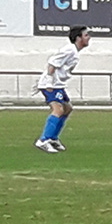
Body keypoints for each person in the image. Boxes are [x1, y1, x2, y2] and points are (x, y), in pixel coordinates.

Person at [34, 25, 90, 153]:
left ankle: (53, 138)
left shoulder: (74, 52)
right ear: (78, 38)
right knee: (58, 110)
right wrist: (48, 81)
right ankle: (43, 140)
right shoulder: (69, 50)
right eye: (86, 35)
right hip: (51, 85)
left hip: (58, 85)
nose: (89, 38)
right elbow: (52, 63)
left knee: (67, 108)